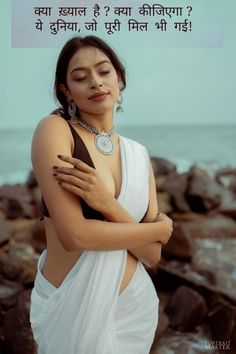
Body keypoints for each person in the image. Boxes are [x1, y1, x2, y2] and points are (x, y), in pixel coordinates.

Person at [29, 35, 173, 354]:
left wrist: (107, 204)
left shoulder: (138, 153)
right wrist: (159, 230)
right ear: (66, 90)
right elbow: (75, 235)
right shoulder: (55, 130)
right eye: (80, 77)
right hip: (70, 308)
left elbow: (151, 256)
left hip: (134, 308)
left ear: (119, 78)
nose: (95, 82)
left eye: (104, 71)